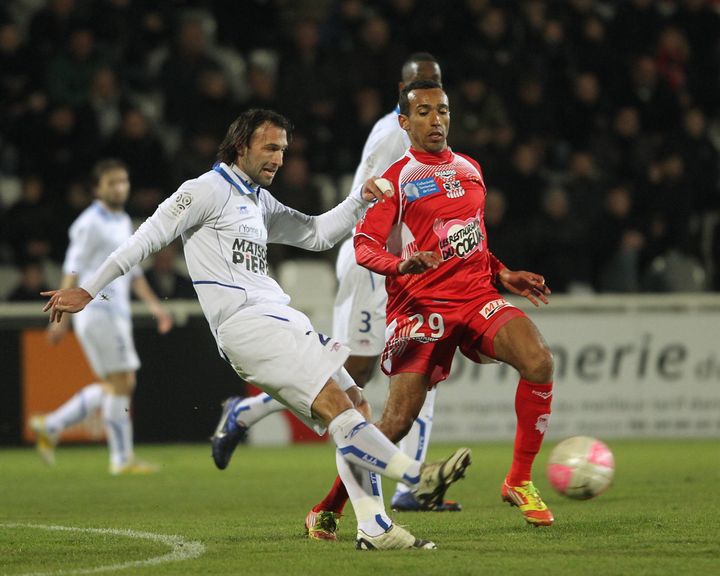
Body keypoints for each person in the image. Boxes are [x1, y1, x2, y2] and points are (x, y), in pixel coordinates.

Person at [42, 109, 471, 550]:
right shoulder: (204, 191)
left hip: (279, 316)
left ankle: (373, 526)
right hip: (246, 324)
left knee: (356, 404)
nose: (279, 159)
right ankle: (416, 475)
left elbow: (317, 234)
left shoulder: (257, 199)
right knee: (336, 406)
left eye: (283, 150)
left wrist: (360, 198)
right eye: (270, 148)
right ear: (240, 146)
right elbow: (145, 238)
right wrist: (89, 290)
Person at [210, 55, 462, 540]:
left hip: (407, 267)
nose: (430, 101)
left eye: (437, 91)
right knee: (356, 382)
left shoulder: (434, 142)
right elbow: (371, 200)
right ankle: (252, 413)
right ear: (402, 94)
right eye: (418, 90)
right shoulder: (393, 135)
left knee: (405, 368)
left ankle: (387, 500)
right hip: (373, 264)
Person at [352, 80, 555, 527]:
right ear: (404, 123)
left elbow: (474, 239)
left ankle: (518, 479)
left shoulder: (470, 167)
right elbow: (363, 246)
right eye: (423, 112)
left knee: (539, 360)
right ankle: (328, 507)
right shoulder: (395, 180)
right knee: (397, 423)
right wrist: (399, 266)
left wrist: (501, 272)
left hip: (477, 297)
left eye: (442, 111)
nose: (436, 120)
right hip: (421, 307)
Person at [30, 159, 173, 474]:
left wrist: (155, 306)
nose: (120, 187)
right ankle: (121, 459)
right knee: (122, 382)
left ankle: (51, 424)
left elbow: (132, 272)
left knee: (115, 383)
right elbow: (73, 268)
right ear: (97, 189)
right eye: (112, 182)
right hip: (99, 311)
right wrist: (61, 316)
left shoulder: (121, 220)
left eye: (123, 181)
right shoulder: (90, 222)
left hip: (114, 312)